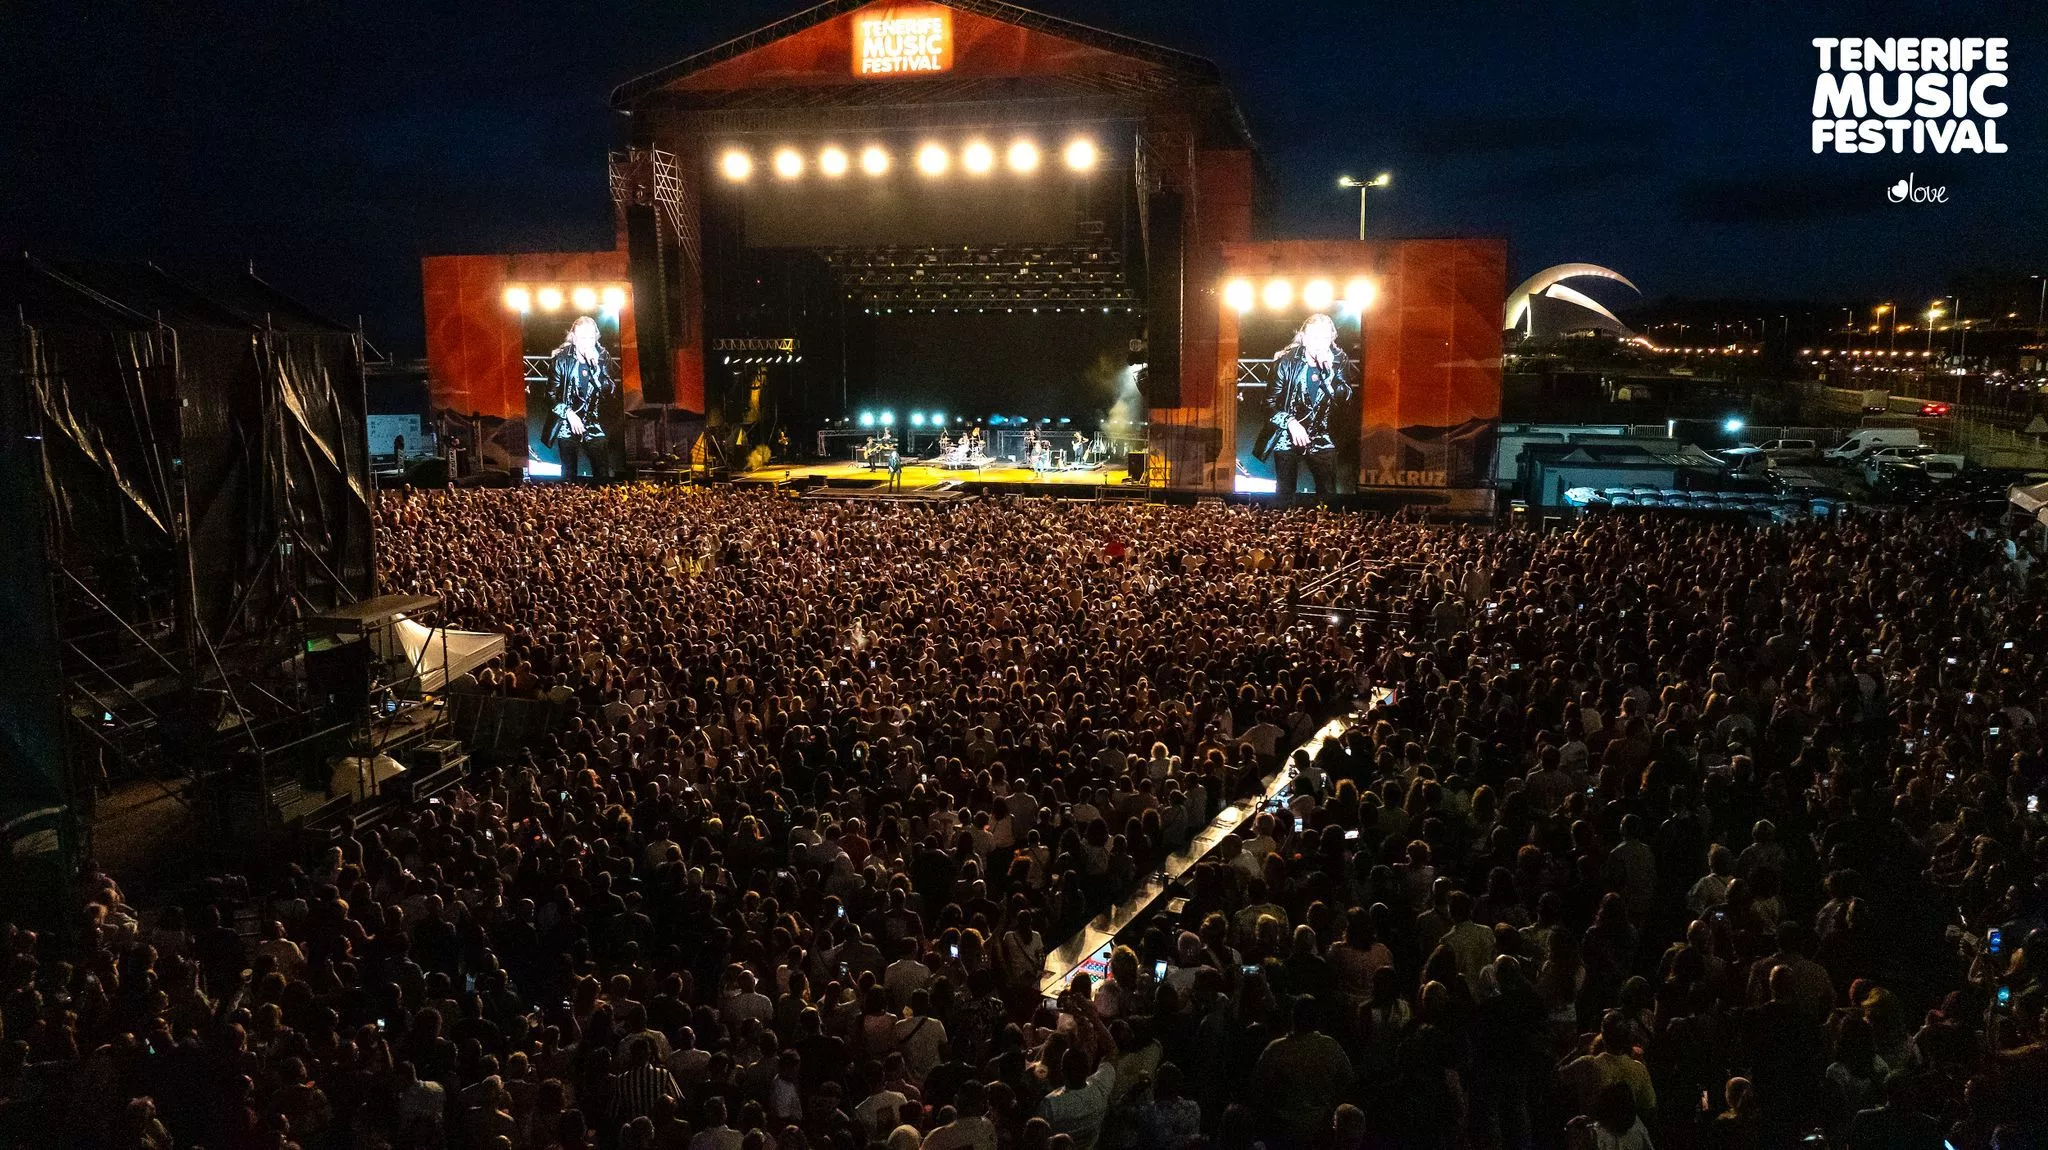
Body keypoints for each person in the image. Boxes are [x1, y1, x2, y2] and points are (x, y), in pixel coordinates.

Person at [1257, 313, 1355, 502]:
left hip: (1323, 435)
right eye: (1315, 337)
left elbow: (1345, 401)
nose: (1319, 343)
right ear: (1304, 337)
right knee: (1284, 494)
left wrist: (1329, 376)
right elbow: (1268, 404)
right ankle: (1284, 526)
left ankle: (1325, 527)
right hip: (1287, 435)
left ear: (1332, 338)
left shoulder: (1339, 360)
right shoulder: (1285, 362)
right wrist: (1290, 422)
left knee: (1327, 495)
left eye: (1325, 338)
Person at [1251, 996, 1354, 1142]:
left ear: (1292, 1016)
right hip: (1322, 1126)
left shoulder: (1276, 1048)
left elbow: (1258, 1086)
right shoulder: (1331, 1046)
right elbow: (1348, 1080)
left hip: (1284, 1128)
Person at [545, 314, 619, 480]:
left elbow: (611, 391)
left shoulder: (603, 357)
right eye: (583, 337)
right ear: (574, 338)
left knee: (602, 475)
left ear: (596, 337)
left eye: (591, 337)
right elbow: (550, 396)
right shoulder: (561, 360)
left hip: (594, 421)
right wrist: (569, 414)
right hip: (567, 422)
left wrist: (597, 369)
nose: (587, 342)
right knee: (569, 475)